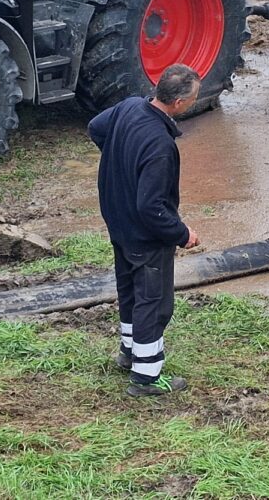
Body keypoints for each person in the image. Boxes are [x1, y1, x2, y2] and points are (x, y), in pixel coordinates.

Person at [88, 64, 202, 397]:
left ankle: (129, 352)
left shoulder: (129, 107)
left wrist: (118, 161)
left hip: (117, 220)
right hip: (144, 235)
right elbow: (151, 207)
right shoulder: (160, 147)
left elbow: (96, 128)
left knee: (129, 288)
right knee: (153, 301)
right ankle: (146, 377)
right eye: (193, 98)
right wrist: (182, 234)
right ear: (179, 103)